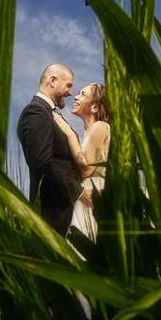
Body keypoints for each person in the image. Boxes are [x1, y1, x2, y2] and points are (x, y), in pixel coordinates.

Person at [17, 63, 92, 235]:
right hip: (53, 214)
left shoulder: (50, 113)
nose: (71, 92)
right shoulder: (35, 112)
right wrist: (78, 192)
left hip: (66, 212)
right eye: (69, 85)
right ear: (52, 81)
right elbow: (43, 161)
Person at [53, 83, 111, 242]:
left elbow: (86, 170)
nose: (76, 97)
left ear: (94, 108)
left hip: (94, 195)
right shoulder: (91, 132)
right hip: (87, 195)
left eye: (82, 94)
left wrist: (70, 135)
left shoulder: (100, 126)